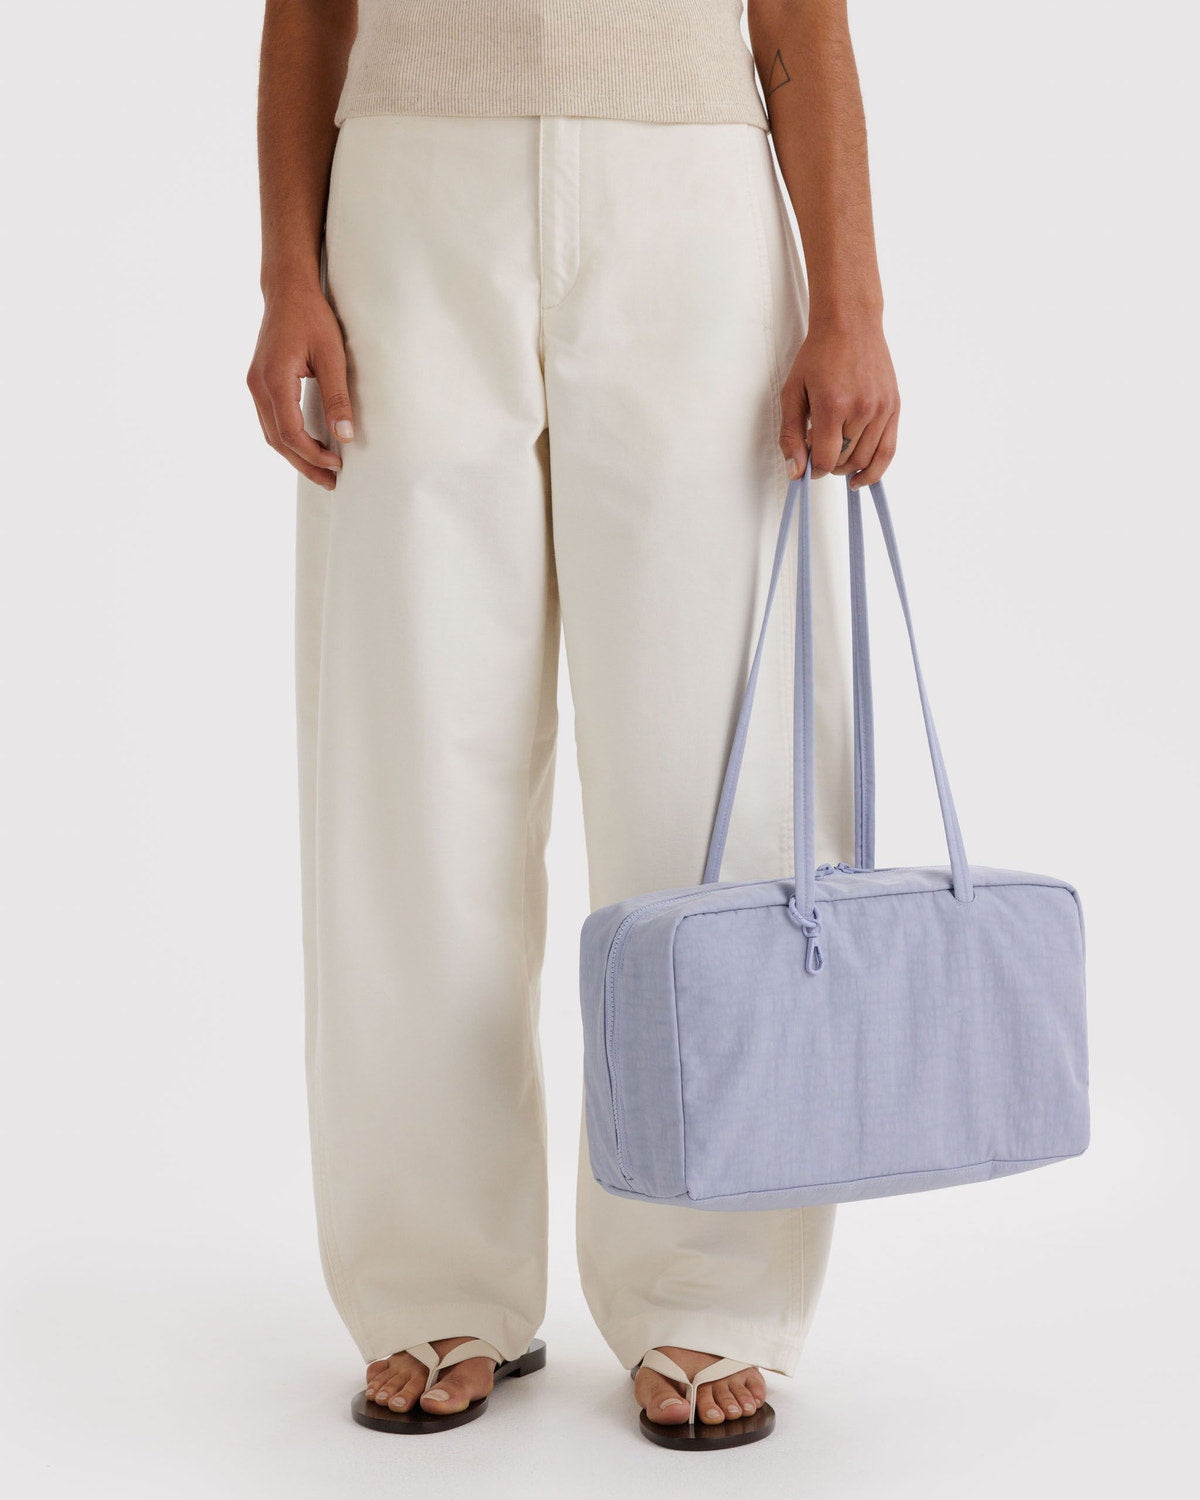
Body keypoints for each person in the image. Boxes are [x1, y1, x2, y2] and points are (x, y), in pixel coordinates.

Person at [248, 0, 899, 1448]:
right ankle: (434, 1275)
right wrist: (288, 270)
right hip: (409, 203)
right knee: (411, 774)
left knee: (712, 775)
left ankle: (710, 1284)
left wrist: (851, 305)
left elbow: (799, 19)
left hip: (689, 204)